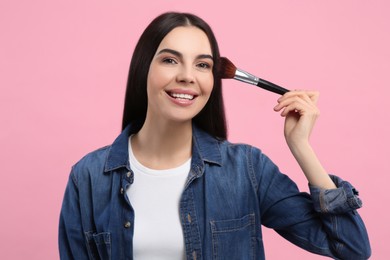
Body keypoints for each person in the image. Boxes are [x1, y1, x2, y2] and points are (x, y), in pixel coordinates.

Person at [59, 12, 371, 260]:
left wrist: (301, 147)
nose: (187, 75)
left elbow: (351, 247)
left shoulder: (247, 169)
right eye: (170, 60)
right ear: (144, 68)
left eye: (203, 65)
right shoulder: (88, 177)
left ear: (213, 79)